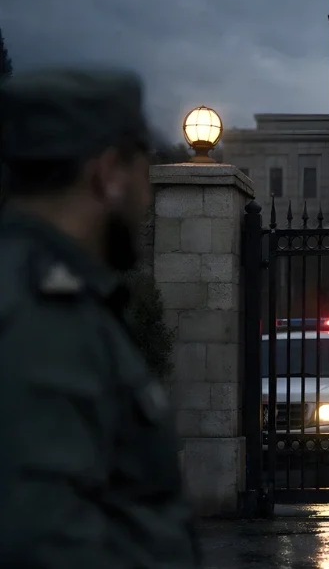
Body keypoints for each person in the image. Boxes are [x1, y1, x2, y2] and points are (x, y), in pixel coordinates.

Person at [0, 68, 200, 566]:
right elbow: (42, 540)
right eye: (143, 169)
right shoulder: (42, 320)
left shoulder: (55, 295)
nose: (147, 195)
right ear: (108, 174)